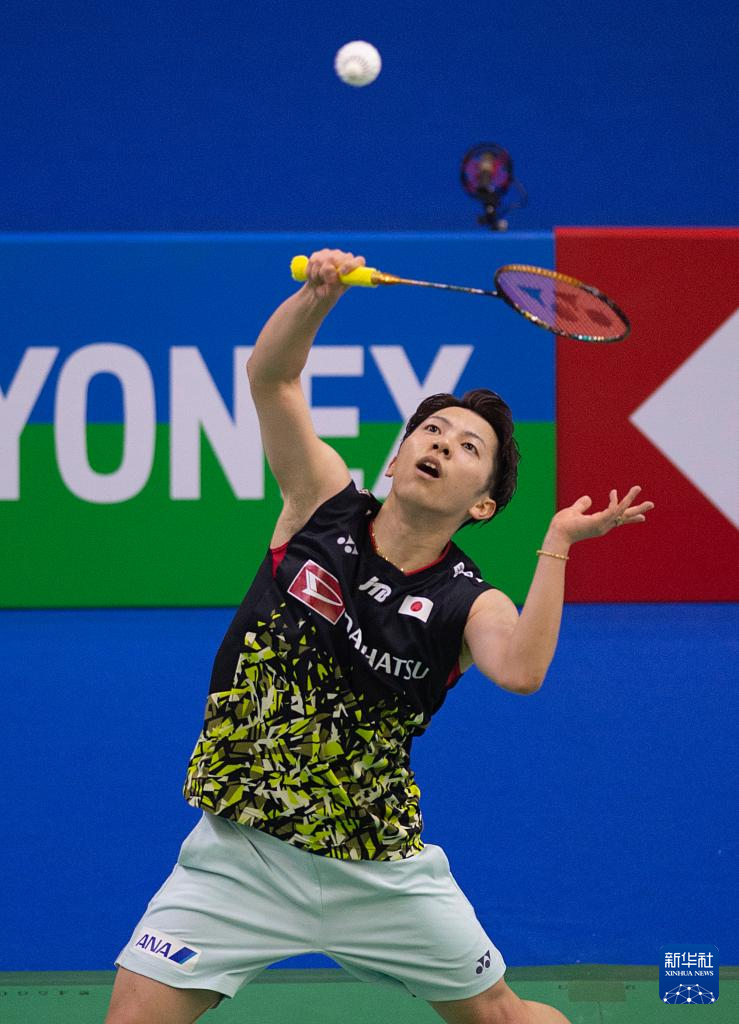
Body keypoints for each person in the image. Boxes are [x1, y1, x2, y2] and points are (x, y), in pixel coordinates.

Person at [105, 249, 653, 1024]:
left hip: (379, 869)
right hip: (241, 853)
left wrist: (557, 543)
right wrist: (317, 296)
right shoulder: (319, 505)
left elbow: (521, 670)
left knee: (502, 1016)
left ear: (483, 504)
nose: (442, 445)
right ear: (396, 457)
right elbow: (270, 378)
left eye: (468, 448)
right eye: (431, 431)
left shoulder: (469, 600)